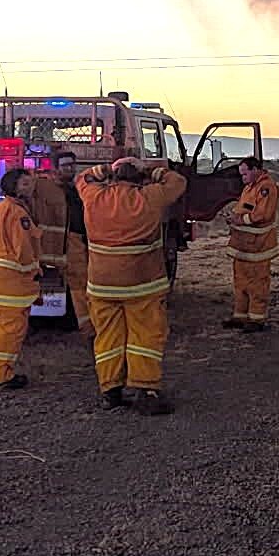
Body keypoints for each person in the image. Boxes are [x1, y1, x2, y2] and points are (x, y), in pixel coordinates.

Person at [77, 156, 187, 414]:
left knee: (107, 338)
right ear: (140, 178)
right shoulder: (149, 197)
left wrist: (106, 168)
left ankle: (110, 390)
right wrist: (152, 169)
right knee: (145, 336)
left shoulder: (93, 197)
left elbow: (82, 178)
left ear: (114, 177)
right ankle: (146, 390)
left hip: (102, 284)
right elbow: (178, 181)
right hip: (143, 283)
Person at [0, 168, 41, 390]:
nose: (30, 187)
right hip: (14, 280)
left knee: (3, 328)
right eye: (25, 184)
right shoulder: (18, 213)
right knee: (11, 330)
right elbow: (23, 248)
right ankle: (0, 377)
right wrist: (34, 270)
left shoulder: (2, 208)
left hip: (2, 279)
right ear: (14, 187)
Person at [30, 151, 92, 338]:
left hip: (74, 242)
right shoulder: (43, 188)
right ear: (55, 167)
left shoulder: (76, 189)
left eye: (72, 165)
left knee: (80, 284)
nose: (70, 168)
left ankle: (85, 326)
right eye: (65, 165)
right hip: (51, 246)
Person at [222, 156, 279, 333]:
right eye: (241, 175)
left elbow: (262, 214)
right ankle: (240, 316)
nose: (243, 178)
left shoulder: (266, 188)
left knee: (257, 283)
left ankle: (256, 319)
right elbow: (244, 208)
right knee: (241, 282)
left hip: (258, 247)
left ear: (256, 170)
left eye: (245, 173)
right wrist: (233, 217)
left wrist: (241, 220)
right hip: (242, 247)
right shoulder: (249, 187)